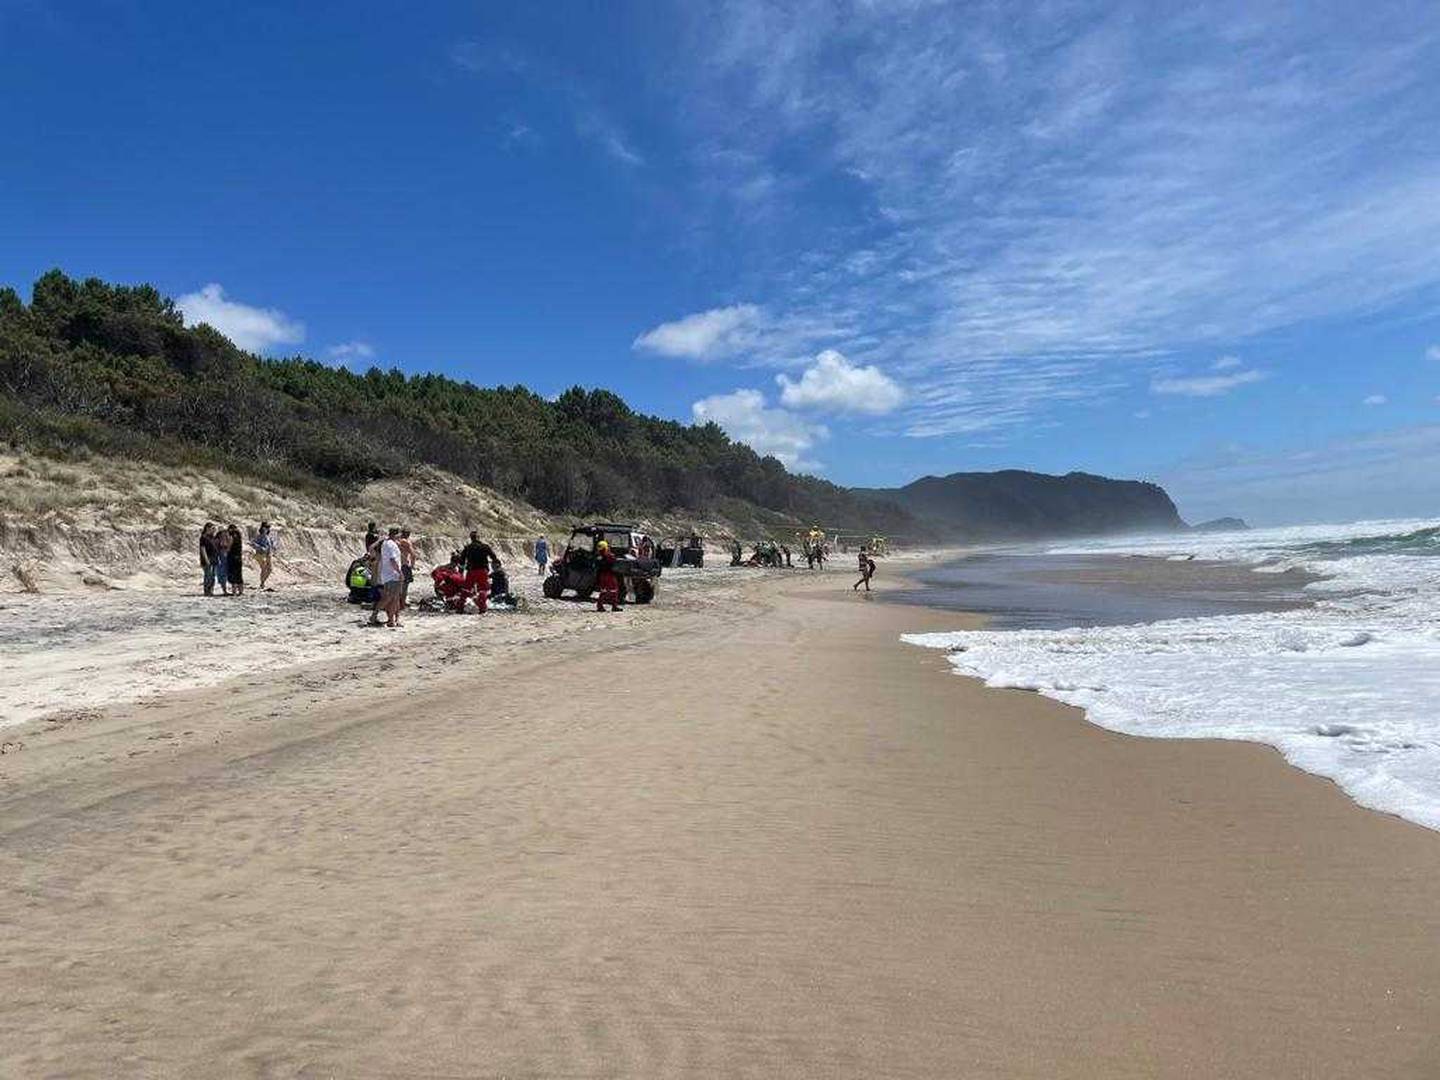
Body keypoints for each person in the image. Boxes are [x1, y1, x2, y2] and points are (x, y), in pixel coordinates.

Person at [370, 527, 405, 627]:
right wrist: (399, 572)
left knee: (395, 598)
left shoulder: (388, 543)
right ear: (396, 534)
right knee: (388, 597)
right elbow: (392, 560)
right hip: (392, 574)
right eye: (399, 535)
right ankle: (374, 615)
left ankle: (391, 620)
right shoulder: (390, 544)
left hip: (390, 574)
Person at [460, 530, 501, 614]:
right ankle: (482, 608)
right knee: (483, 589)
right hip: (482, 571)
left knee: (466, 590)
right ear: (479, 538)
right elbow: (494, 557)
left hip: (471, 571)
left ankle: (460, 607)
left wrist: (461, 573)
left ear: (471, 538)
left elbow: (462, 561)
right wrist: (497, 567)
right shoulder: (485, 546)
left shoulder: (467, 548)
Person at [595, 539, 622, 612]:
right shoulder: (608, 556)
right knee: (614, 590)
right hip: (609, 574)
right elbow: (613, 562)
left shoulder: (599, 557)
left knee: (604, 590)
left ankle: (600, 605)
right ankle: (614, 606)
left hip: (602, 575)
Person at [252, 521, 275, 590]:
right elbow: (253, 544)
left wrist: (273, 548)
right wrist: (261, 548)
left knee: (270, 569)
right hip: (260, 554)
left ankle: (262, 582)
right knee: (264, 569)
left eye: (268, 528)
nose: (266, 529)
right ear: (262, 528)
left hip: (268, 554)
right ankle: (262, 583)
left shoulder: (268, 536)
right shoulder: (259, 536)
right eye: (265, 527)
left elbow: (271, 545)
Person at [398, 527, 417, 606]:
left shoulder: (396, 541)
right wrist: (412, 565)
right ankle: (402, 603)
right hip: (405, 564)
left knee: (399, 585)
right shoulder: (405, 542)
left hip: (398, 564)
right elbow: (413, 555)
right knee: (405, 585)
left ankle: (399, 602)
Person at [226, 524, 245, 596]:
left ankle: (234, 591)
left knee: (233, 574)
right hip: (239, 557)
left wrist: (226, 549)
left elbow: (229, 547)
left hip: (232, 557)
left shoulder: (232, 536)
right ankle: (241, 591)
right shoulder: (239, 536)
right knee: (239, 575)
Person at [199, 523, 218, 595]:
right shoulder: (203, 537)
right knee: (207, 575)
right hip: (207, 558)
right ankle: (206, 591)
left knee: (213, 576)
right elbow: (202, 549)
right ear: (207, 528)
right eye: (213, 528)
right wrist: (206, 559)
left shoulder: (213, 537)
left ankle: (211, 590)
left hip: (214, 558)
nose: (214, 530)